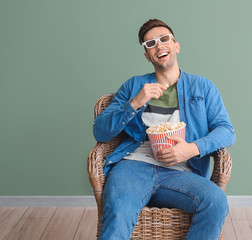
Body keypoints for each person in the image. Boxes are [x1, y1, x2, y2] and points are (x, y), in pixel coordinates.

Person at [93, 19, 236, 240]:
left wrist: (192, 149)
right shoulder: (133, 86)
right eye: (150, 44)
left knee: (216, 202)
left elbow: (226, 130)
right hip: (133, 167)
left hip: (181, 173)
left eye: (164, 39)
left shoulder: (203, 87)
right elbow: (100, 132)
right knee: (117, 210)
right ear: (147, 55)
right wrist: (134, 103)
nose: (159, 46)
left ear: (176, 46)